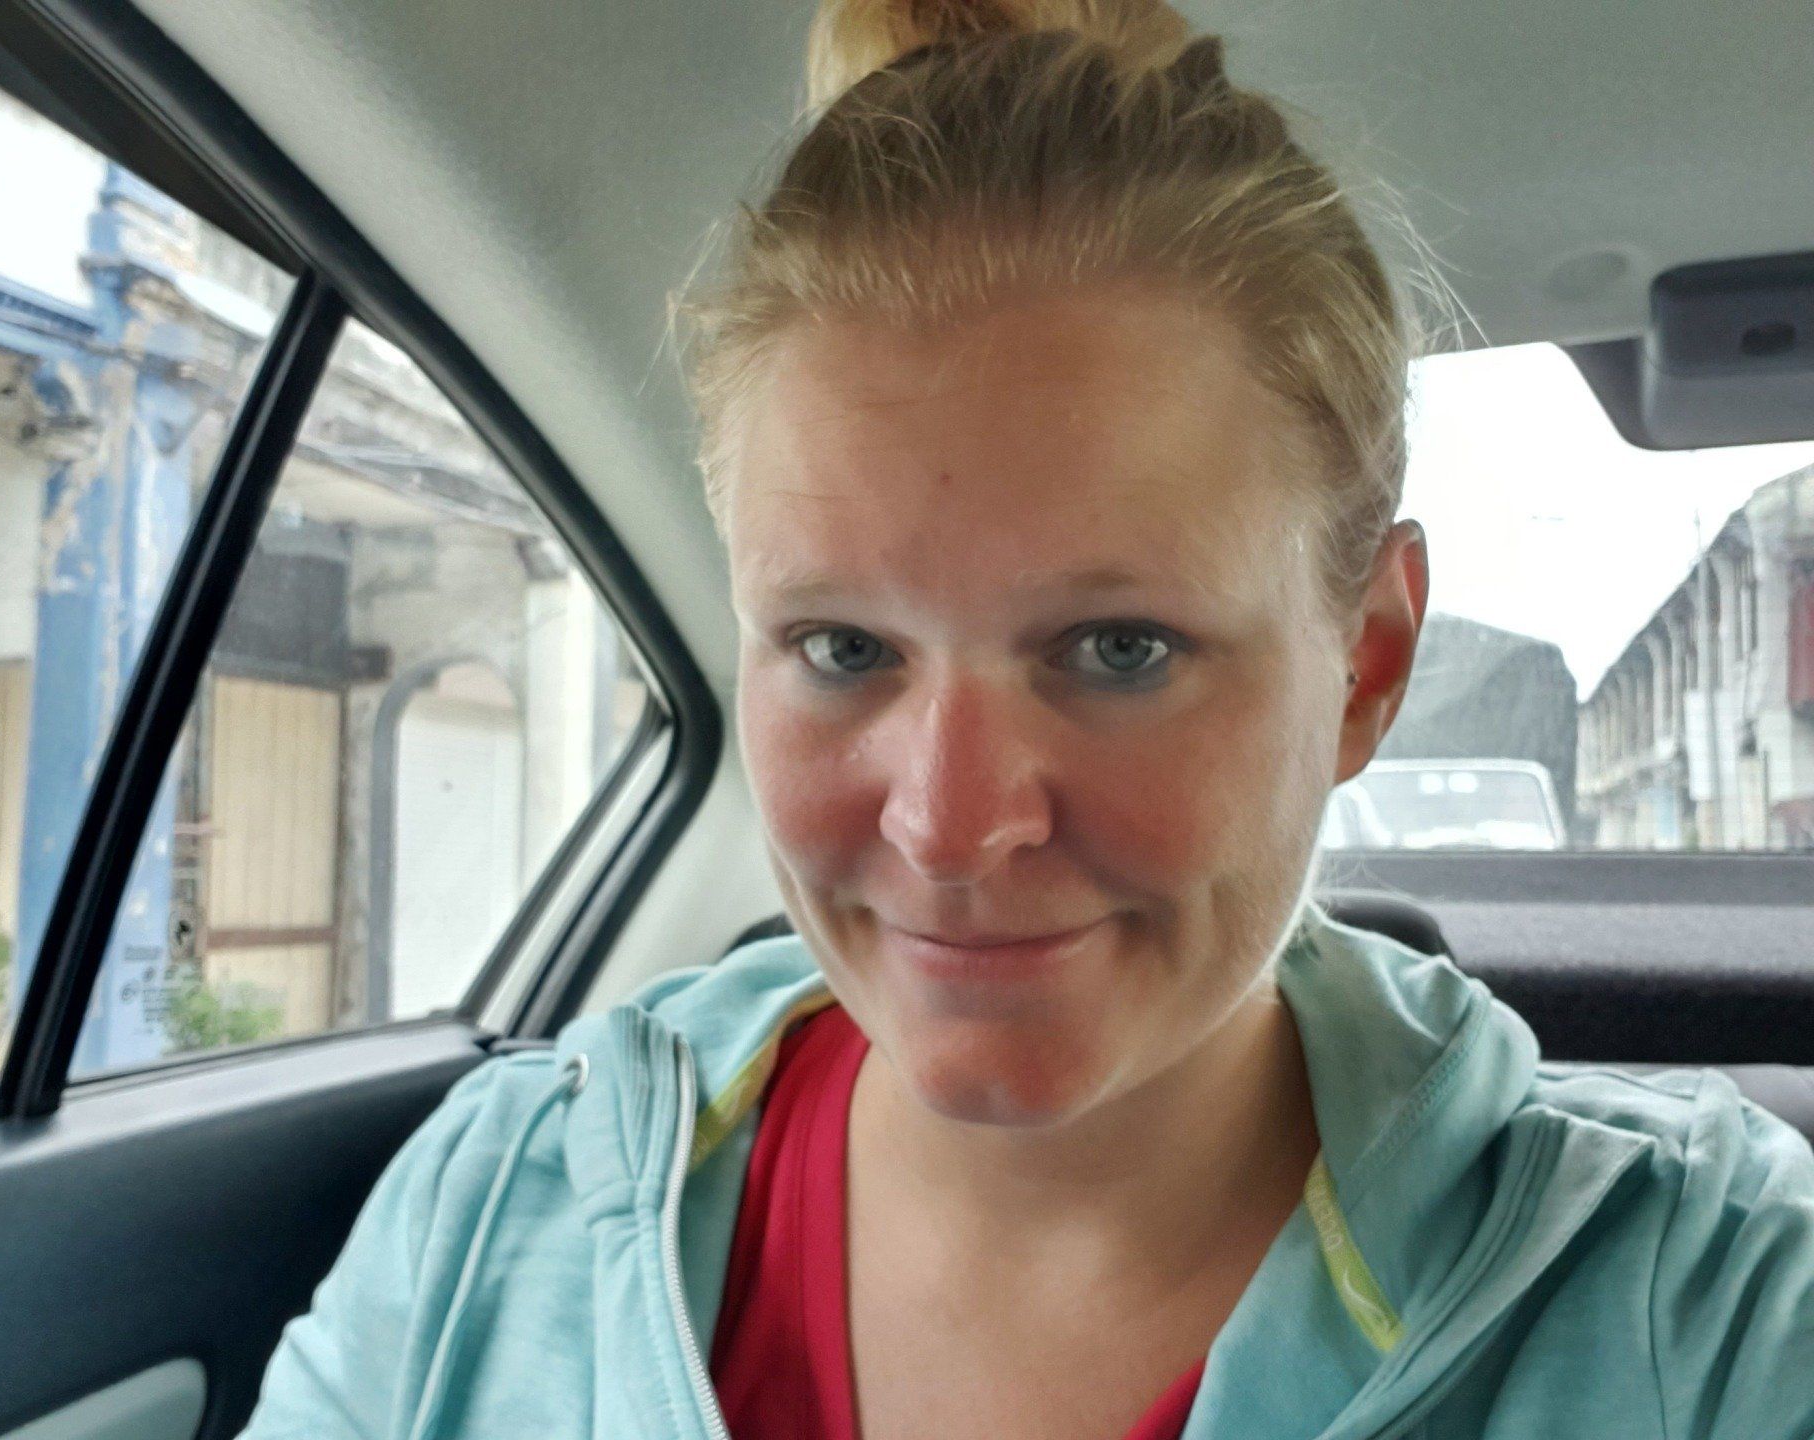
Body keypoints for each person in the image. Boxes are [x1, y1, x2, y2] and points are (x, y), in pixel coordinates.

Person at [239, 2, 1814, 1437]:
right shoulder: (487, 1221)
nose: (947, 823)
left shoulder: (1711, 1309)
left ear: (1369, 665)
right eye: (843, 647)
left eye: (1119, 650)